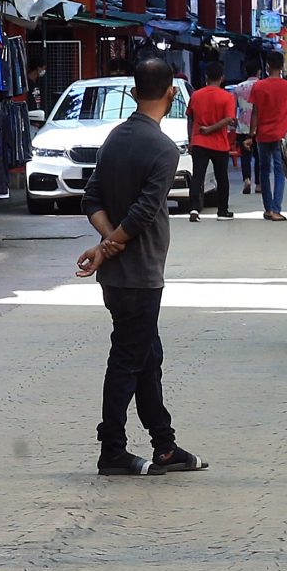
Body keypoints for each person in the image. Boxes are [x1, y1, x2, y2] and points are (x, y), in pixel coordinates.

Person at [77, 55, 206, 478]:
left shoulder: (115, 136)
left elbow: (90, 198)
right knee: (128, 361)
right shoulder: (164, 149)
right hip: (141, 275)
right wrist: (109, 246)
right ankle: (111, 449)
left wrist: (104, 245)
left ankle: (164, 445)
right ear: (172, 93)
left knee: (148, 356)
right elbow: (144, 213)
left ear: (134, 93)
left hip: (117, 276)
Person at [247, 55, 287, 223]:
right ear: (282, 65)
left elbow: (254, 112)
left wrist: (251, 134)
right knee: (279, 171)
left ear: (268, 66)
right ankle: (276, 209)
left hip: (263, 134)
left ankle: (268, 208)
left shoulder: (258, 86)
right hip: (281, 135)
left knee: (264, 170)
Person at [185, 61, 238, 221]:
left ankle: (194, 209)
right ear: (222, 78)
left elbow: (190, 118)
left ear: (206, 77)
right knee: (222, 177)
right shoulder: (227, 97)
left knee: (197, 177)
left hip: (199, 142)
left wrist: (191, 139)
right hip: (219, 144)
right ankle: (222, 211)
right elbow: (229, 119)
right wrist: (212, 129)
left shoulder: (196, 95)